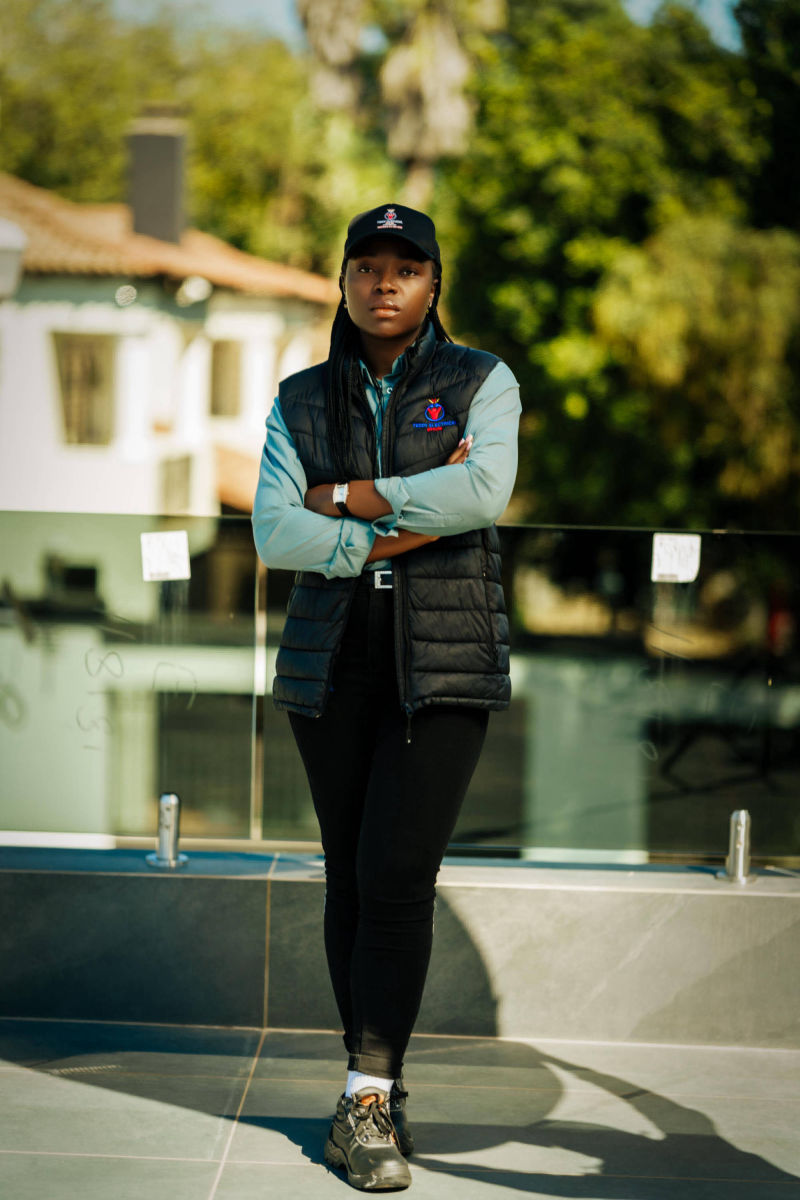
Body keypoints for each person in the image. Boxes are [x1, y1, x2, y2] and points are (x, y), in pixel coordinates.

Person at [252, 203, 520, 1191]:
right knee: (350, 880)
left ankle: (365, 1099)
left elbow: (482, 494)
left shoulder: (480, 380)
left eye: (405, 268)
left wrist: (346, 498)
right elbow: (273, 534)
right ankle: (372, 1083)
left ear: (433, 284)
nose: (384, 284)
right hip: (330, 661)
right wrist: (405, 517)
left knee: (397, 874)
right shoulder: (300, 397)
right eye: (366, 266)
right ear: (344, 281)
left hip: (444, 661)